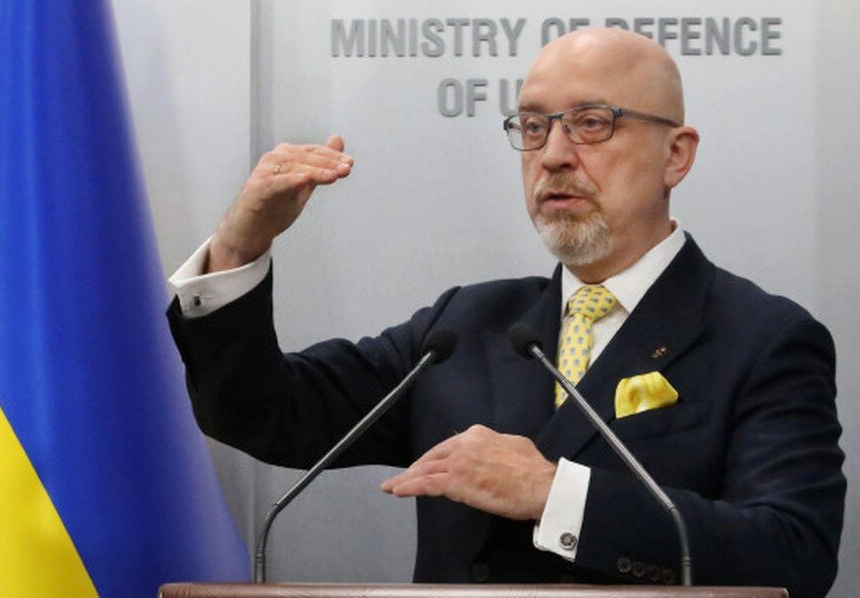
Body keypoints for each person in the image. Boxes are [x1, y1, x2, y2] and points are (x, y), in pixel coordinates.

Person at [166, 28, 845, 595]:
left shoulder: (762, 338)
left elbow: (793, 556)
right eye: (534, 126)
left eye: (591, 124)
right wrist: (239, 248)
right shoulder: (465, 326)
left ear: (676, 155)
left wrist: (557, 496)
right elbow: (263, 413)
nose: (553, 156)